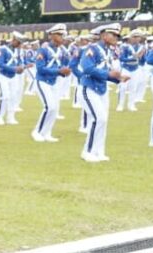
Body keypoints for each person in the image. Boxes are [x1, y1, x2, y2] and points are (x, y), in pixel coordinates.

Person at [79, 23, 125, 162]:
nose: (116, 37)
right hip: (89, 88)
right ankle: (87, 152)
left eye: (117, 35)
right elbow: (87, 68)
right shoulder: (92, 49)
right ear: (104, 35)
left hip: (101, 89)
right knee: (99, 119)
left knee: (103, 121)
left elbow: (106, 72)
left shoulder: (107, 51)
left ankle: (98, 151)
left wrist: (118, 79)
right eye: (114, 34)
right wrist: (109, 74)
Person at [32, 24, 71, 143]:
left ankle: (47, 132)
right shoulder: (43, 49)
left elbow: (65, 64)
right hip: (42, 81)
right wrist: (59, 71)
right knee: (49, 107)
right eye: (59, 34)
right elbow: (40, 68)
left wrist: (66, 71)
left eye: (63, 34)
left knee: (55, 109)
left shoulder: (63, 51)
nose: (62, 37)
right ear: (51, 36)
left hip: (55, 81)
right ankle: (37, 132)